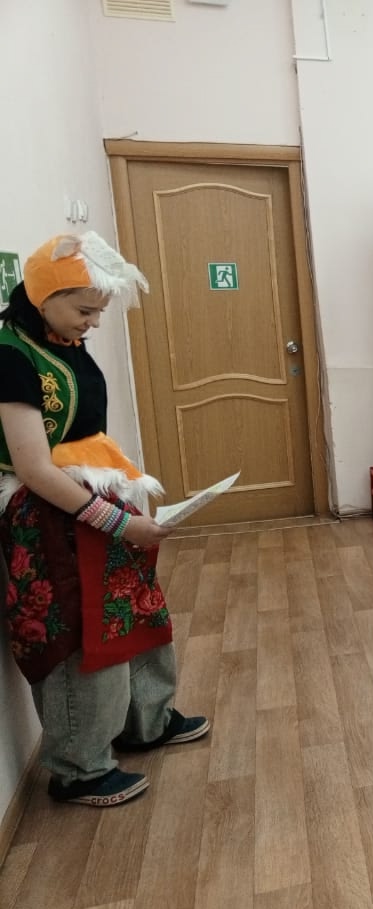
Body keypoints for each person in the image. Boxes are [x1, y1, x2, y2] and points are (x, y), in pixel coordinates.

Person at [0, 231, 209, 807]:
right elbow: (34, 468)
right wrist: (119, 524)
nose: (92, 324)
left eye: (98, 313)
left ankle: (145, 721)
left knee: (130, 609)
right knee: (81, 632)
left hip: (92, 501)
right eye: (84, 311)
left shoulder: (59, 337)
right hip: (50, 516)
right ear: (44, 295)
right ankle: (79, 768)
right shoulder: (11, 356)